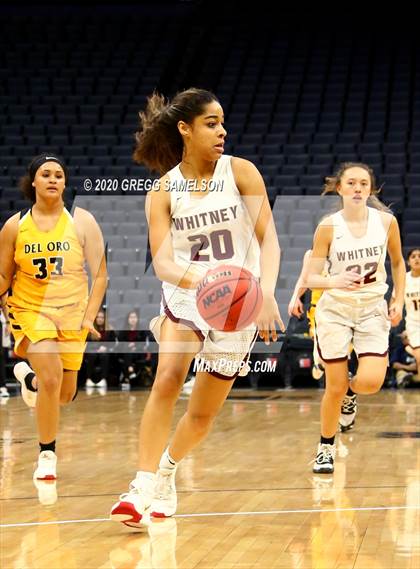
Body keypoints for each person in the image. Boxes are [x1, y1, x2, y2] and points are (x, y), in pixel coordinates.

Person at [110, 87, 284, 527]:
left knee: (202, 415)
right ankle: (142, 482)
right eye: (211, 123)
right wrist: (205, 281)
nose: (222, 130)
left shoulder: (240, 171)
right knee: (168, 377)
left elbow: (270, 241)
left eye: (223, 122)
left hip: (240, 301)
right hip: (189, 293)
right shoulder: (163, 190)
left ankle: (167, 471)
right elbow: (165, 262)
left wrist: (264, 292)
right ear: (185, 129)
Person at [0, 153, 107, 481]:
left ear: (64, 182)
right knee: (51, 376)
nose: (52, 179)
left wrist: (89, 316)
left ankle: (27, 379)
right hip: (30, 309)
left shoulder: (82, 221)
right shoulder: (15, 225)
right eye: (45, 174)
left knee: (63, 393)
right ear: (33, 181)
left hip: (72, 314)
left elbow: (100, 275)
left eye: (58, 175)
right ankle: (47, 454)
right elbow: (4, 277)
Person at [301, 162, 405, 474]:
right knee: (333, 387)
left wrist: (398, 299)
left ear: (370, 189)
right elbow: (312, 278)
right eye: (351, 183)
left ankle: (351, 392)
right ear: (340, 188)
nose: (358, 188)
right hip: (336, 310)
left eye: (363, 183)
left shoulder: (386, 222)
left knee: (371, 382)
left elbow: (398, 263)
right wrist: (334, 280)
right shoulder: (328, 227)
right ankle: (325, 447)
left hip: (372, 307)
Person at [288, 250, 358, 432]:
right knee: (326, 359)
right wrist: (295, 296)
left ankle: (347, 399)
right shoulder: (312, 254)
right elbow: (304, 278)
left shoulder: (350, 249)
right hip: (320, 310)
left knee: (339, 360)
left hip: (346, 310)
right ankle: (325, 369)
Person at [117, 309, 153, 390]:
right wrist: (128, 345)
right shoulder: (123, 331)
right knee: (127, 350)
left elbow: (144, 343)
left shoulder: (141, 330)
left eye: (134, 317)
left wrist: (135, 345)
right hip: (126, 353)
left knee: (129, 352)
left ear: (137, 319)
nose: (133, 319)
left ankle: (127, 377)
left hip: (138, 353)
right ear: (128, 319)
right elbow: (120, 344)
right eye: (131, 317)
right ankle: (130, 369)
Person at [84, 308, 117, 390]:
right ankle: (88, 379)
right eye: (98, 317)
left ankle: (103, 379)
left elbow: (113, 344)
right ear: (95, 319)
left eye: (102, 317)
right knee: (91, 355)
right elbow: (87, 343)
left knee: (104, 355)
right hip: (93, 351)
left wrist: (105, 347)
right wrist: (96, 348)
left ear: (105, 319)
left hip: (105, 351)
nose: (100, 319)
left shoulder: (110, 330)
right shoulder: (91, 330)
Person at [401, 248, 420, 378]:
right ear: (408, 262)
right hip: (414, 325)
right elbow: (395, 301)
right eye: (413, 256)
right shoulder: (404, 279)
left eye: (419, 256)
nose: (417, 259)